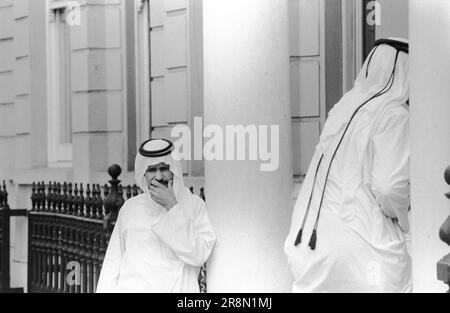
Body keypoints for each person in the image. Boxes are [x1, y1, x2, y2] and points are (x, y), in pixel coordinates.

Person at [284, 38, 411, 292]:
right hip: (364, 249)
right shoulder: (394, 113)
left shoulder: (342, 107)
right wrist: (405, 220)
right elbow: (389, 188)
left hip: (313, 245)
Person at [97, 139, 216, 293]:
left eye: (164, 168)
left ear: (173, 169)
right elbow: (113, 264)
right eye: (152, 170)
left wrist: (172, 207)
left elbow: (199, 255)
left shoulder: (194, 205)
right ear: (143, 174)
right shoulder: (131, 208)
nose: (159, 176)